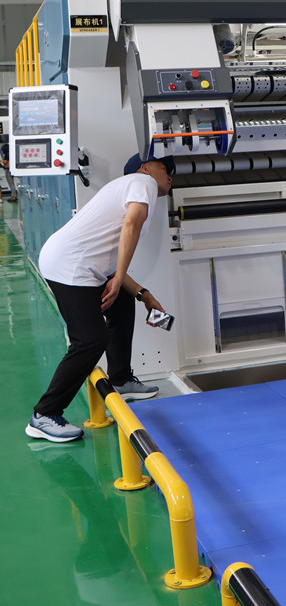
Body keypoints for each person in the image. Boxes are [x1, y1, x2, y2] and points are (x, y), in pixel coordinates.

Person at [25, 153, 174, 443]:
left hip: (76, 264)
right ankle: (44, 414)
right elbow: (131, 226)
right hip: (70, 267)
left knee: (122, 302)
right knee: (90, 340)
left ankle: (120, 378)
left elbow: (111, 266)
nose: (169, 174)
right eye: (164, 168)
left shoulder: (129, 189)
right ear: (145, 168)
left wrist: (143, 294)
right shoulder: (142, 183)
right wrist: (117, 279)